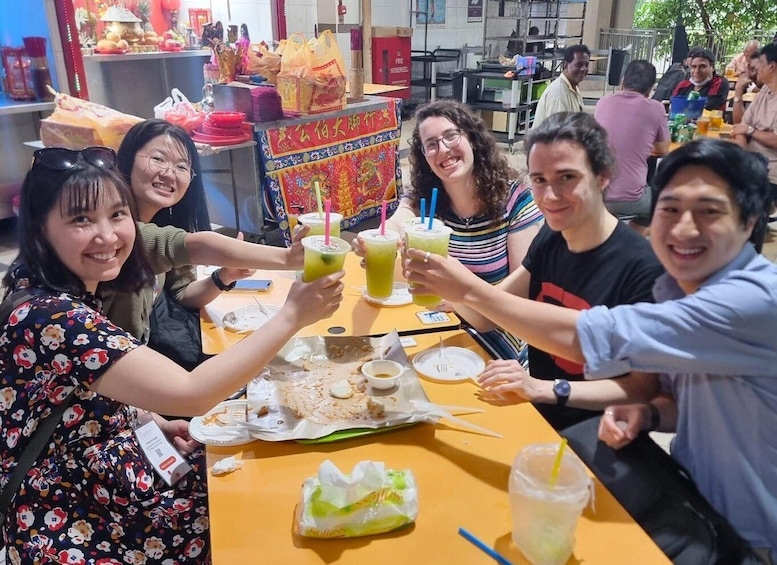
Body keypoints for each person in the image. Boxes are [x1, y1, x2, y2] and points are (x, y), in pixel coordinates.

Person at [403, 138, 775, 558]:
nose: (684, 227)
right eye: (671, 208)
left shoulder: (751, 302)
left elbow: (590, 338)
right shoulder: (675, 287)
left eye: (709, 211)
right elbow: (690, 398)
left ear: (749, 221)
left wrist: (469, 289)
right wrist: (651, 412)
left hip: (748, 537)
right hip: (684, 488)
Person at [0, 147, 344, 561]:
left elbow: (74, 390)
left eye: (117, 215)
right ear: (40, 230)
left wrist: (147, 421)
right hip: (68, 512)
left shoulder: (56, 282)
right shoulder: (49, 314)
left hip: (102, 462)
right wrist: (292, 315)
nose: (107, 236)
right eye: (81, 219)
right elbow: (191, 393)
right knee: (256, 514)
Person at [422, 112, 664, 430]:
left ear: (602, 176)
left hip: (596, 429)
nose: (549, 196)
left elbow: (642, 389)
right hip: (534, 409)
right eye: (539, 180)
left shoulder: (644, 269)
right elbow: (489, 314)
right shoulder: (552, 236)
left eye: (566, 178)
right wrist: (446, 288)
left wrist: (543, 388)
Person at [354, 100, 542, 361]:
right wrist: (377, 237)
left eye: (451, 136)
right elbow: (398, 222)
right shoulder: (425, 199)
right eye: (431, 144)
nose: (443, 149)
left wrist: (456, 296)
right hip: (438, 321)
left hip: (499, 336)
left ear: (472, 139)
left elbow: (519, 301)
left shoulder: (514, 199)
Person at [104, 119, 306, 346]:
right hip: (109, 365)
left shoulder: (162, 222)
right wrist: (290, 258)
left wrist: (223, 277)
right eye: (158, 159)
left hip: (139, 353)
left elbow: (182, 295)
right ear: (128, 159)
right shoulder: (116, 230)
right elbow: (199, 246)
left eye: (181, 166)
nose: (169, 173)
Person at [595, 59, 670, 233]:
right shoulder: (656, 108)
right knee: (656, 203)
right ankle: (632, 239)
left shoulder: (603, 102)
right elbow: (663, 149)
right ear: (651, 89)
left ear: (622, 82)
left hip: (597, 194)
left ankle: (615, 239)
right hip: (631, 198)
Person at [732, 42, 777, 218]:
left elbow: (775, 140)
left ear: (772, 66)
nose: (753, 70)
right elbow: (740, 126)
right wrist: (745, 159)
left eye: (758, 65)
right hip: (753, 165)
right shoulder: (765, 91)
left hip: (771, 172)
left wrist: (750, 131)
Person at [531, 44, 590, 130]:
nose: (583, 69)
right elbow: (558, 134)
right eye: (578, 65)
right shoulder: (559, 93)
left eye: (586, 65)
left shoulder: (573, 87)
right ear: (565, 66)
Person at [732, 48, 763, 125]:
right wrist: (738, 89)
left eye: (756, 69)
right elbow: (740, 123)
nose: (751, 74)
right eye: (750, 68)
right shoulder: (764, 93)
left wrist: (749, 131)